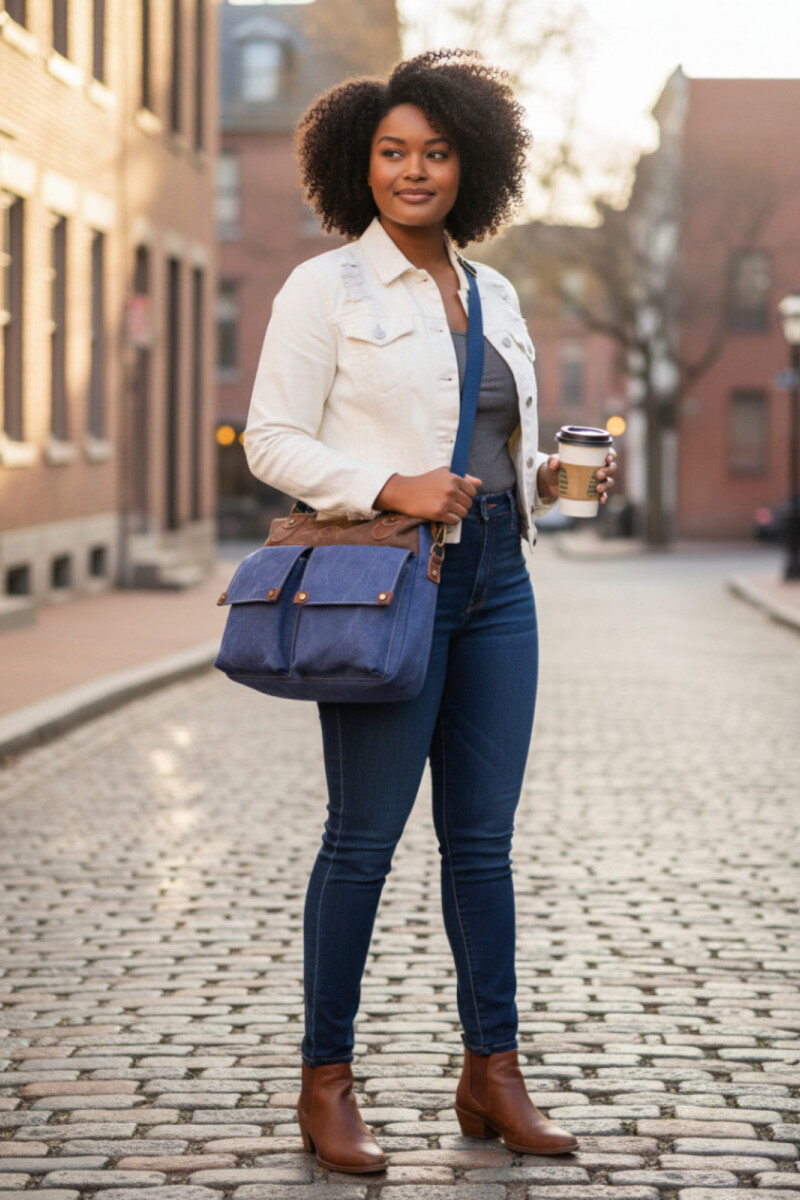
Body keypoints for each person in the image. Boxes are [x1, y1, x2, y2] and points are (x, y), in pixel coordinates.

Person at [243, 49, 616, 1175]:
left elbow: (489, 441)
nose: (414, 172)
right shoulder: (326, 289)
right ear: (358, 165)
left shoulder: (493, 292)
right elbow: (271, 439)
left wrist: (555, 473)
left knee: (482, 845)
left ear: (472, 162)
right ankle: (326, 1080)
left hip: (499, 580)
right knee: (360, 843)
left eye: (436, 152)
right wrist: (385, 485)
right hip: (391, 578)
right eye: (392, 153)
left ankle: (489, 1072)